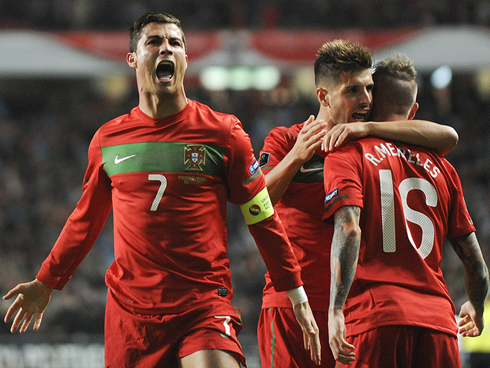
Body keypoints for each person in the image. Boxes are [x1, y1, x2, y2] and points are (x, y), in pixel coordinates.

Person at [2, 12, 321, 368]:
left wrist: (295, 292)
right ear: (133, 58)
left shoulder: (223, 133)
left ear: (185, 58)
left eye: (175, 43)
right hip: (132, 316)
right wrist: (46, 282)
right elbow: (85, 222)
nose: (166, 48)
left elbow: (262, 215)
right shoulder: (107, 141)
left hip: (203, 305)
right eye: (154, 41)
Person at [257, 41, 459, 368]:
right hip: (293, 304)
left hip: (357, 313)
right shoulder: (285, 139)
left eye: (368, 88)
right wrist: (296, 157)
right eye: (353, 91)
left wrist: (368, 127)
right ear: (323, 96)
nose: (365, 100)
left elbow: (448, 137)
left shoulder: (372, 144)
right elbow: (257, 202)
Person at [324, 54, 490, 367]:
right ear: (413, 111)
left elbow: (348, 229)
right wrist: (477, 307)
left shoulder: (347, 153)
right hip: (439, 325)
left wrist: (335, 309)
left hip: (375, 319)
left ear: (370, 102)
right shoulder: (445, 169)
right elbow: (476, 266)